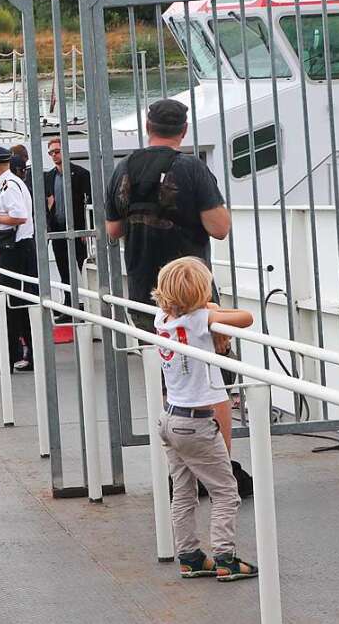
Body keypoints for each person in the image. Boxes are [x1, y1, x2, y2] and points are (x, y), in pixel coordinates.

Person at [104, 99, 235, 447]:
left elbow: (113, 230)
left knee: (171, 380)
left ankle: (181, 464)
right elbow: (220, 228)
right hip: (193, 294)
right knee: (214, 379)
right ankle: (220, 465)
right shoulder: (192, 168)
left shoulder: (123, 169)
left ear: (148, 128)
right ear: (184, 130)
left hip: (146, 295)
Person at [151, 256, 258, 582]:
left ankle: (190, 556)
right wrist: (211, 307)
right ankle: (225, 556)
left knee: (183, 491)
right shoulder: (200, 320)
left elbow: (199, 312)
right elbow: (247, 317)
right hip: (197, 422)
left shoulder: (162, 317)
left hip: (170, 418)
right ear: (200, 291)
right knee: (225, 491)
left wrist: (205, 306)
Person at [0, 152, 36, 374]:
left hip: (16, 251)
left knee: (13, 305)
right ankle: (19, 353)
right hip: (11, 248)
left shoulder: (8, 185)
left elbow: (19, 216)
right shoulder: (9, 183)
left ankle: (10, 356)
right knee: (17, 305)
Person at [43, 136, 92, 315]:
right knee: (63, 268)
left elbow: (90, 202)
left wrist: (87, 230)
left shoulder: (81, 174)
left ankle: (90, 304)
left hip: (78, 230)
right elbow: (45, 203)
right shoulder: (49, 177)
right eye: (51, 153)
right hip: (58, 230)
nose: (54, 156)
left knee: (84, 266)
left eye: (57, 151)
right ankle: (69, 304)